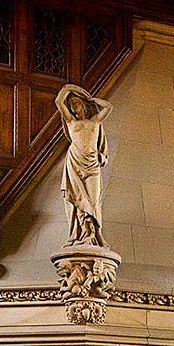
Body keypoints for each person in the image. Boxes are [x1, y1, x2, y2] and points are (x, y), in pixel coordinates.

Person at [55, 83, 113, 247]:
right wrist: (67, 89)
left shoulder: (94, 121)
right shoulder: (70, 121)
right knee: (78, 200)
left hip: (92, 163)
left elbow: (109, 107)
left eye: (76, 103)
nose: (73, 107)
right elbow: (59, 102)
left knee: (93, 200)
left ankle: (95, 234)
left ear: (83, 104)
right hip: (75, 162)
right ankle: (83, 235)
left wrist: (92, 99)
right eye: (71, 105)